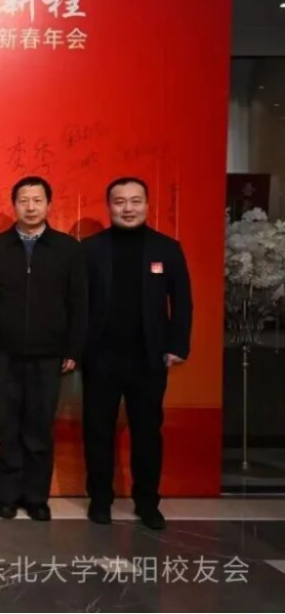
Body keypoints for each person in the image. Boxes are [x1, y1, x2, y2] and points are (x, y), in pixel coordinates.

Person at [81, 177, 192, 530]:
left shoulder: (167, 249)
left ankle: (147, 502)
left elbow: (182, 301)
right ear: (109, 206)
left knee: (147, 432)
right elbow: (77, 303)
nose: (127, 208)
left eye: (135, 201)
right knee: (97, 430)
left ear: (146, 204)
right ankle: (100, 500)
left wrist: (177, 345)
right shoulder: (91, 249)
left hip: (149, 357)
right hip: (100, 356)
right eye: (120, 202)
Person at [0, 176, 88, 522]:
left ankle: (36, 497)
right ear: (14, 205)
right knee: (5, 425)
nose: (30, 207)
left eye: (37, 200)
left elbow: (79, 303)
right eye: (24, 201)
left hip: (48, 354)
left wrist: (73, 348)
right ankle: (6, 495)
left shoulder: (68, 249)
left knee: (39, 427)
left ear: (48, 204)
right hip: (1, 352)